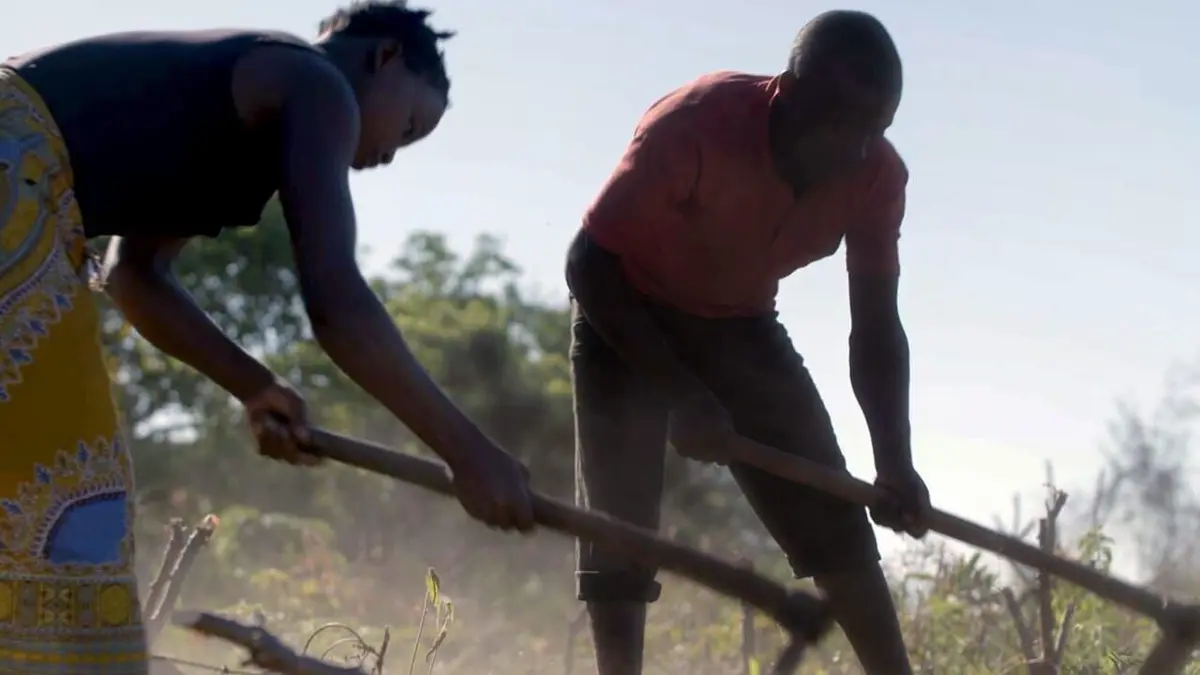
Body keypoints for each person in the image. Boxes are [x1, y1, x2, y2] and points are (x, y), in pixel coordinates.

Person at [0, 2, 535, 672]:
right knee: (70, 497)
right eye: (409, 125)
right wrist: (469, 452)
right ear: (386, 58)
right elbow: (337, 304)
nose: (391, 154)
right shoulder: (317, 84)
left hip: (26, 183)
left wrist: (255, 387)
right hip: (12, 169)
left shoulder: (237, 106)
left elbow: (135, 277)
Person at [565, 9, 930, 675]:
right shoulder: (695, 122)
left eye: (871, 131)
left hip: (739, 326)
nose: (854, 149)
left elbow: (876, 327)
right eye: (839, 125)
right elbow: (587, 264)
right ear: (790, 95)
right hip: (625, 314)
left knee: (834, 511)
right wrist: (681, 394)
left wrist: (894, 462)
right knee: (619, 532)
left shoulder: (877, 176)